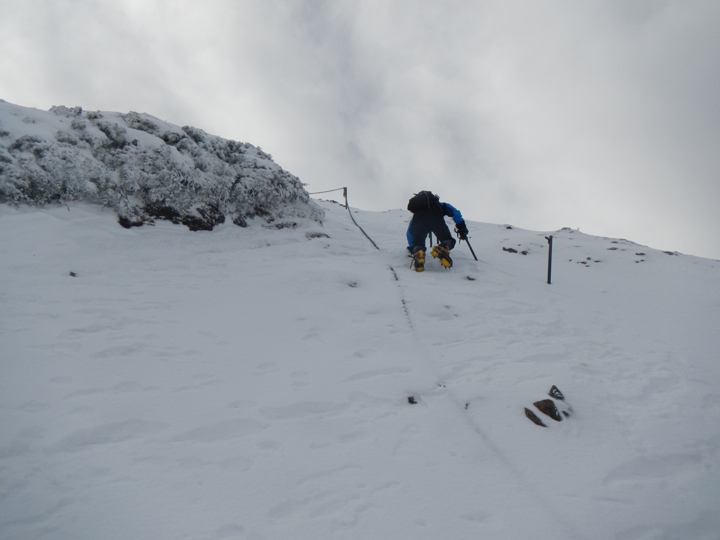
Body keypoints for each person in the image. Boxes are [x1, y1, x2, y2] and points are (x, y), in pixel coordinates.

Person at [406, 191, 468, 272]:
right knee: (448, 240)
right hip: (436, 219)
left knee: (418, 244)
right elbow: (455, 212)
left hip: (419, 221)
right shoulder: (439, 205)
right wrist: (462, 227)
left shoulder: (417, 212)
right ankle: (442, 248)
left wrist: (413, 247)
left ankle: (418, 252)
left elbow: (410, 233)